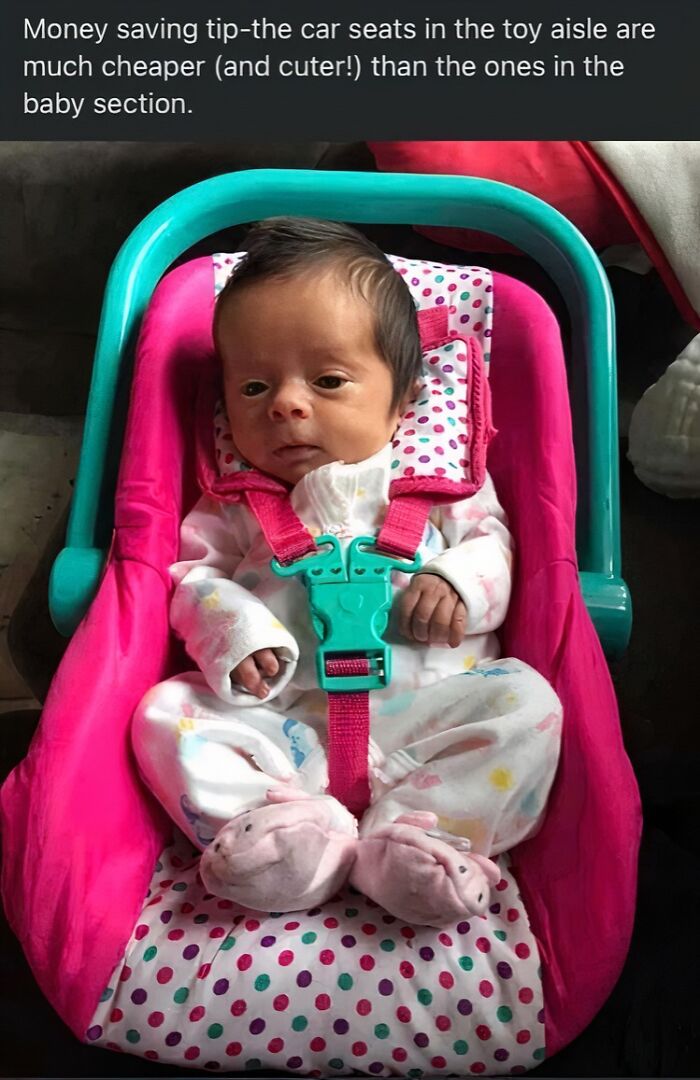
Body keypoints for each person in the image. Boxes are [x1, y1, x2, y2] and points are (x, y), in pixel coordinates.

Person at [132, 218, 562, 928]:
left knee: (531, 703)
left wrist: (457, 583)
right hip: (283, 729)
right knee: (163, 714)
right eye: (253, 386)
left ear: (400, 403)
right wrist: (234, 631)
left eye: (328, 380)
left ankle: (425, 837)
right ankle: (286, 836)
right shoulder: (235, 502)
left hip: (427, 718)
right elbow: (191, 578)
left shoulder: (441, 484)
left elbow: (499, 549)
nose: (287, 404)